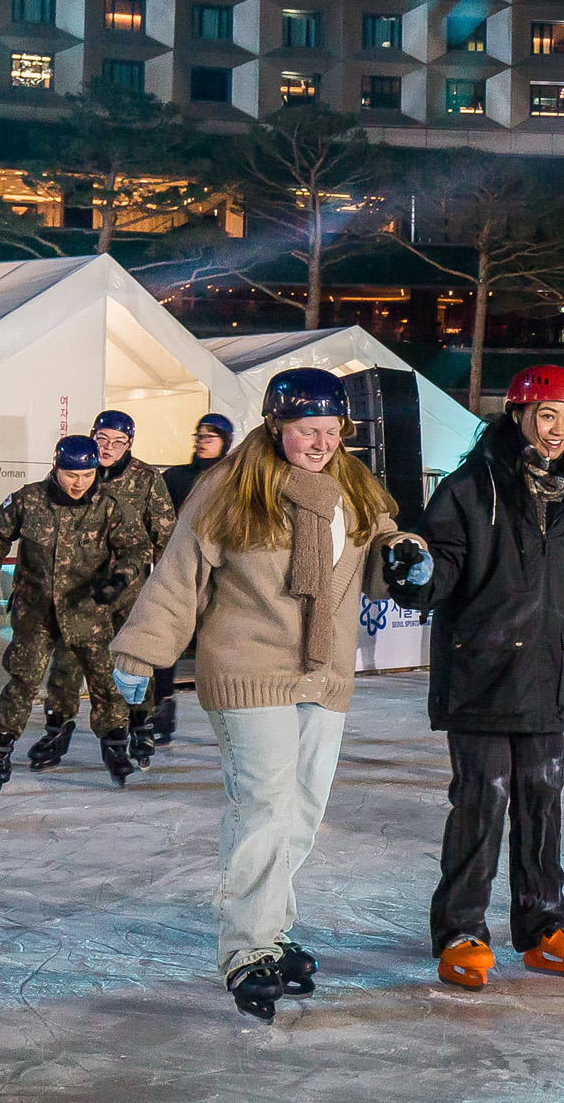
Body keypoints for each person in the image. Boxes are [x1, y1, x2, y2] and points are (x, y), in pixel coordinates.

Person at [109, 367, 419, 1021]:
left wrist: (406, 554)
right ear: (276, 423)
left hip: (324, 673)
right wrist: (142, 649)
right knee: (264, 805)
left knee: (302, 811)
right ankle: (247, 950)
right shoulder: (232, 486)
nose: (322, 443)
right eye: (309, 429)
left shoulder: (354, 487)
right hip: (248, 667)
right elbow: (179, 574)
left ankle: (271, 932)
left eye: (333, 431)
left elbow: (382, 549)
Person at [390, 366, 564, 992]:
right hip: (481, 674)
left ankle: (542, 926)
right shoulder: (473, 488)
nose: (558, 431)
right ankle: (461, 931)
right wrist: (415, 569)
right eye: (547, 416)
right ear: (517, 417)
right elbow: (439, 570)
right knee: (482, 801)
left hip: (545, 675)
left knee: (542, 800)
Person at [0, 435, 151, 794]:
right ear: (55, 469)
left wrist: (119, 580)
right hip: (35, 611)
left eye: (87, 475)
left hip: (87, 611)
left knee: (104, 680)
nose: (79, 482)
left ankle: (116, 747)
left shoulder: (108, 506)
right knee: (24, 679)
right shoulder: (29, 500)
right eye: (71, 475)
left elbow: (136, 547)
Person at [35, 410, 178, 773]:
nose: (109, 448)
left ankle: (139, 726)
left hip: (129, 588)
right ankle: (57, 728)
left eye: (118, 442)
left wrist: (164, 589)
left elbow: (164, 533)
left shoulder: (146, 479)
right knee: (67, 662)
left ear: (130, 444)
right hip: (78, 587)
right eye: (102, 440)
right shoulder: (76, 472)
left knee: (132, 660)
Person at [153, 413, 235, 743]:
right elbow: (159, 519)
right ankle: (162, 705)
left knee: (219, 642)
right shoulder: (175, 477)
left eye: (209, 437)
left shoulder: (234, 479)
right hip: (180, 568)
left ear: (224, 443)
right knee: (165, 636)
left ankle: (233, 709)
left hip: (220, 572)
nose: (201, 441)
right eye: (198, 435)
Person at [162, 413, 235, 509]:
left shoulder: (232, 477)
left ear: (225, 441)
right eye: (199, 437)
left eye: (209, 437)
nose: (201, 441)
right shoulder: (174, 475)